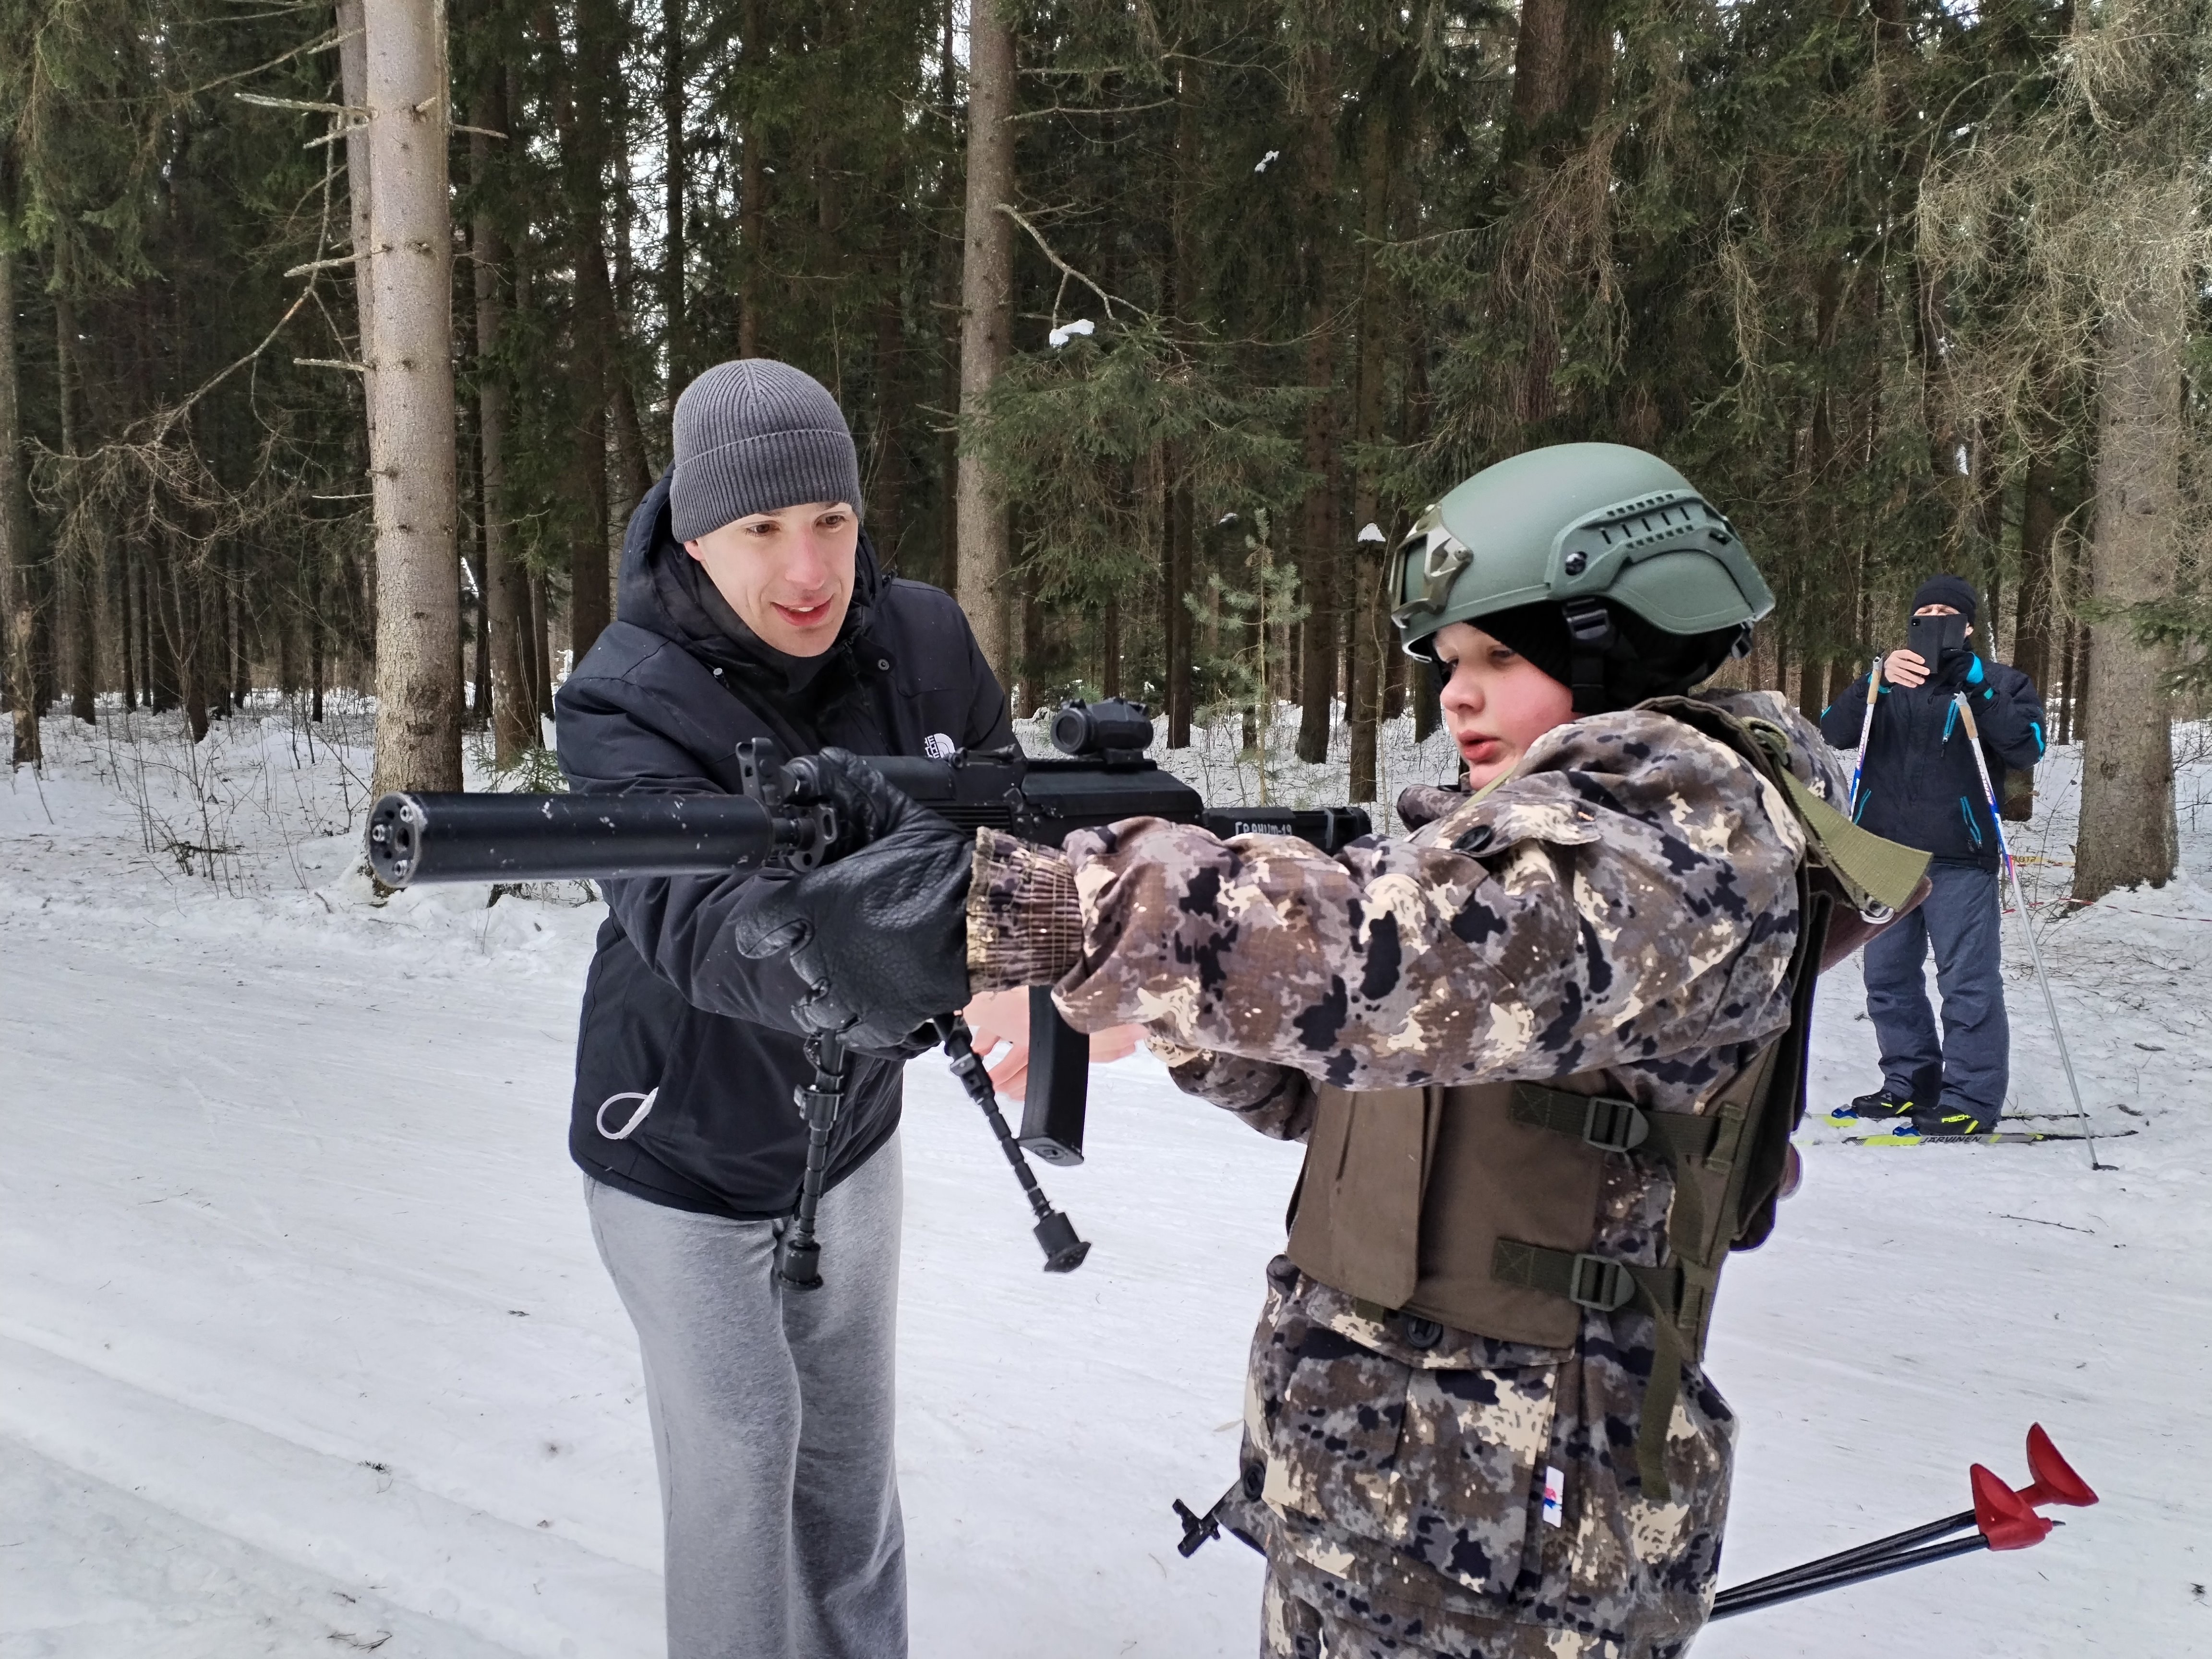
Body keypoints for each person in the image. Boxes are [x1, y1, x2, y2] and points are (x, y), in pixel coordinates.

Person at [731, 443, 1925, 1658]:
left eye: (1498, 659)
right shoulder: (1506, 840)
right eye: (1449, 664)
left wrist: (1046, 907)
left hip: (1521, 1546)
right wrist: (1171, 1006)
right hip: (1377, 1493)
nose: (1456, 697)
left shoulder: (1689, 828)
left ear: (1621, 639)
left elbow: (1407, 959)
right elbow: (1337, 1086)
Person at [552, 358, 1012, 1659]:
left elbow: (1005, 820)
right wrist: (847, 951)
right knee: (745, 1453)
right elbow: (700, 926)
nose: (808, 569)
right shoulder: (622, 695)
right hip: (675, 1146)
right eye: (762, 528)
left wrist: (1020, 942)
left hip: (850, 1136)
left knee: (847, 1477)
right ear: (697, 535)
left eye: (831, 520)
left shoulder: (925, 641)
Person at [1818, 576, 2046, 1137]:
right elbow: (1833, 731)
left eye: (1950, 613)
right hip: (1883, 852)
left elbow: (2029, 746)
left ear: (1968, 627)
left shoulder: (2000, 682)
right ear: (1913, 622)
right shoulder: (1888, 681)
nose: (1938, 620)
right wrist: (1873, 681)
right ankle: (1909, 1083)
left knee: (1967, 982)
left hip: (1959, 854)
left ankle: (1970, 1098)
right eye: (1927, 612)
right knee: (1888, 979)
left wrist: (1977, 687)